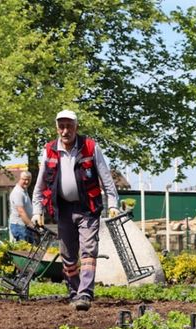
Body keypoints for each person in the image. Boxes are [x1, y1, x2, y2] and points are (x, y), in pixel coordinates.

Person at [31, 109, 119, 311]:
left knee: (88, 249)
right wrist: (37, 210)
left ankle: (85, 293)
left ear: (76, 127)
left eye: (69, 126)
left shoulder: (90, 147)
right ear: (57, 128)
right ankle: (75, 293)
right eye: (61, 126)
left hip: (87, 207)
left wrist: (113, 203)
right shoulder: (49, 150)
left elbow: (106, 179)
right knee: (68, 255)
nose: (65, 131)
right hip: (63, 209)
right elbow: (40, 184)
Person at [9, 171, 36, 244]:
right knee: (24, 249)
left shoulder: (24, 191)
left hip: (25, 226)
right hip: (19, 226)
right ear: (20, 178)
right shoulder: (18, 192)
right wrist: (31, 225)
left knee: (29, 249)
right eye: (24, 179)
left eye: (29, 180)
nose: (26, 182)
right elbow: (21, 212)